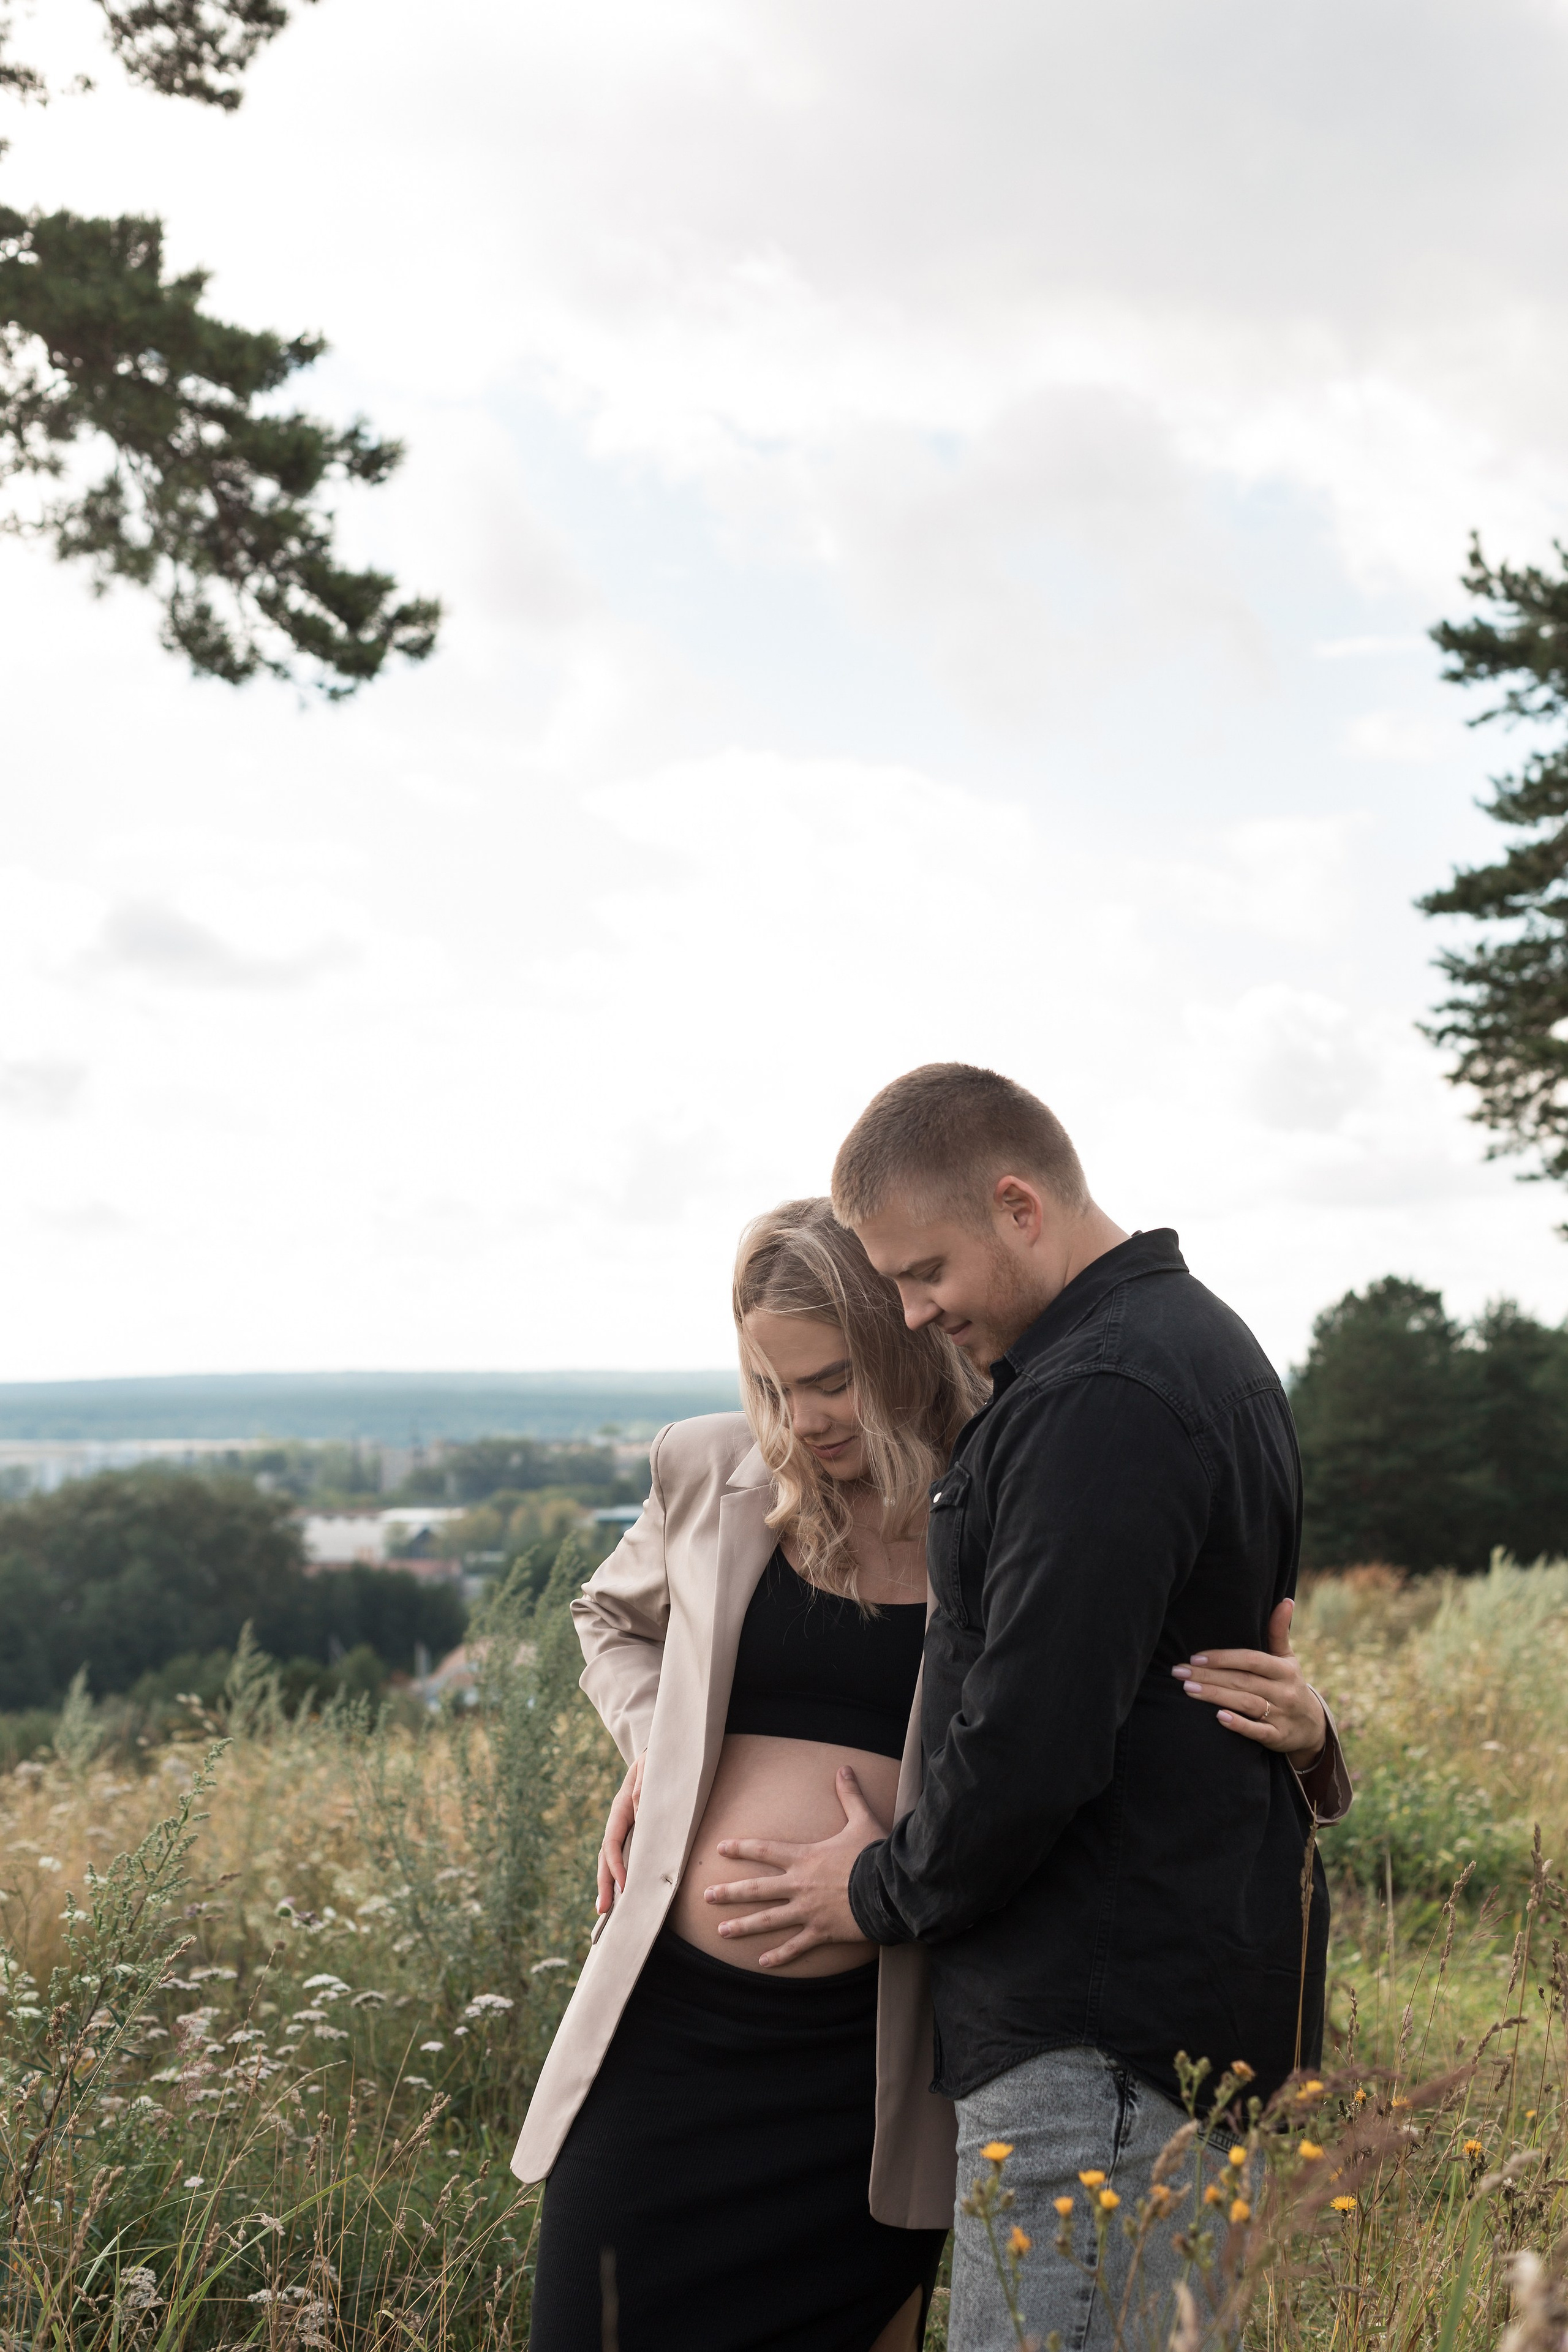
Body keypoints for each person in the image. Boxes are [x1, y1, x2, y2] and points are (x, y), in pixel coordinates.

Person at [703, 1066, 1352, 2352]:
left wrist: (872, 1892)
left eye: (922, 1271)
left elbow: (1029, 1740)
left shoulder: (1095, 1400)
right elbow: (1169, 1673)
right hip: (1159, 2024)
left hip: (1095, 2045)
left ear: (1015, 1205)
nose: (912, 1309)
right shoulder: (1190, 1346)